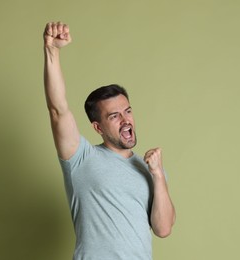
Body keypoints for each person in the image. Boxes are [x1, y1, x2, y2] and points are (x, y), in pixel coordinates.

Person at [43, 21, 176, 260]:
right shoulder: (81, 158)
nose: (125, 120)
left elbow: (163, 229)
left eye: (127, 111)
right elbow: (57, 109)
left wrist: (157, 175)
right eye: (114, 116)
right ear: (98, 127)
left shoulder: (151, 169)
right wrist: (52, 51)